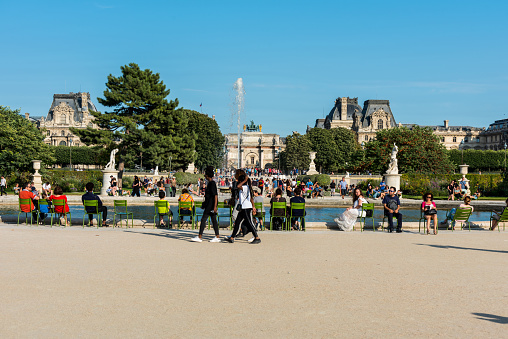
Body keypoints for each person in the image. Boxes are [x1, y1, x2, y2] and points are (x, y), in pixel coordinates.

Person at [224, 171, 261, 244]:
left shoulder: (245, 187)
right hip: (243, 208)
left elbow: (238, 186)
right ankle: (232, 237)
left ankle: (257, 237)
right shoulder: (247, 187)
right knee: (237, 223)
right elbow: (251, 198)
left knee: (249, 222)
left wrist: (244, 180)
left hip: (246, 208)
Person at [191, 166, 221, 243]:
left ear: (207, 176)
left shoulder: (212, 183)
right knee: (214, 221)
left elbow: (215, 195)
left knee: (203, 220)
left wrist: (215, 206)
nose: (205, 177)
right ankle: (217, 236)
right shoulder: (211, 183)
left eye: (205, 176)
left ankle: (200, 236)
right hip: (209, 204)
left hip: (210, 205)